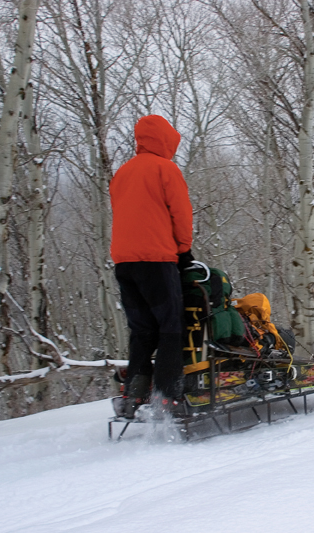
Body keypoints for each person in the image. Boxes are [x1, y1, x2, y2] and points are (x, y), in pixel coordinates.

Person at [109, 114, 194, 418]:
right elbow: (181, 214)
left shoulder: (122, 173)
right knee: (171, 326)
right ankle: (168, 394)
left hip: (124, 262)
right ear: (167, 140)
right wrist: (183, 250)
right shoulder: (165, 169)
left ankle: (134, 391)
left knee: (142, 329)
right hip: (157, 260)